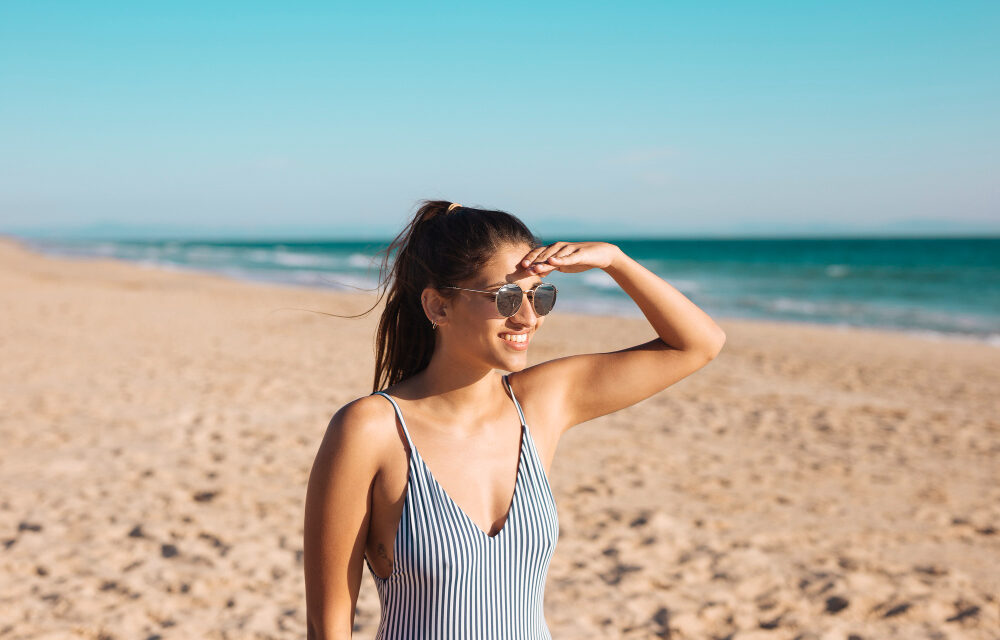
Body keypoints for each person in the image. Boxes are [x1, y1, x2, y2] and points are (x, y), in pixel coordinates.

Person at [303, 200, 726, 639]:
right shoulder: (371, 429)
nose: (527, 317)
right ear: (437, 307)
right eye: (505, 298)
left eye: (539, 296)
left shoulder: (542, 403)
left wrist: (614, 261)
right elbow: (327, 625)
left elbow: (699, 344)